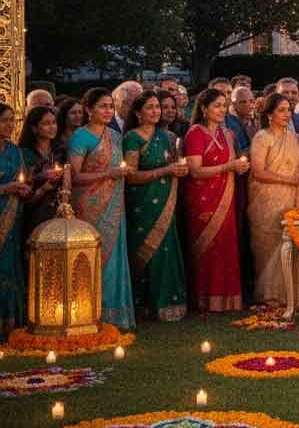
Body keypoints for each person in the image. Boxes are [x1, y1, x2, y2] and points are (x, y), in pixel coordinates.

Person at [69, 88, 135, 328]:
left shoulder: (115, 136)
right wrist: (108, 173)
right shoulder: (80, 137)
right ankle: (89, 314)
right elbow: (74, 176)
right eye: (102, 106)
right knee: (93, 257)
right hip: (89, 206)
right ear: (88, 110)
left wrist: (122, 173)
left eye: (111, 106)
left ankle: (114, 317)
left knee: (114, 258)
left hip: (115, 206)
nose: (108, 111)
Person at [123, 91, 189, 322]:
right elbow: (130, 176)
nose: (155, 111)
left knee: (167, 248)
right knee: (143, 247)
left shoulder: (168, 137)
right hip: (142, 203)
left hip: (166, 201)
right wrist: (166, 171)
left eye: (157, 107)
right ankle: (145, 305)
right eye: (149, 107)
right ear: (138, 113)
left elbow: (176, 164)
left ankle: (169, 303)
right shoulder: (133, 138)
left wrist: (180, 169)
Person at [184, 88, 248, 312]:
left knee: (226, 246)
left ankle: (227, 299)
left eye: (224, 105)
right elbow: (195, 171)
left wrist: (240, 166)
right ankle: (204, 299)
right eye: (217, 106)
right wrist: (229, 167)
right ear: (203, 108)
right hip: (203, 199)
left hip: (226, 197)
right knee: (207, 247)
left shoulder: (227, 134)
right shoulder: (195, 133)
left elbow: (232, 163)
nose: (222, 110)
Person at [248, 93, 299, 306]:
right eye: (281, 110)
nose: (287, 114)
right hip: (266, 200)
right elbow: (258, 172)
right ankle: (271, 294)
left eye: (289, 110)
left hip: (290, 198)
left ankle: (293, 293)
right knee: (269, 246)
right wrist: (290, 179)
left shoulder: (294, 139)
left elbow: (298, 168)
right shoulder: (262, 137)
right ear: (269, 115)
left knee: (290, 242)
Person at [0, 102, 29, 335]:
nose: (9, 125)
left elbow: (23, 181)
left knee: (10, 267)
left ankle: (10, 322)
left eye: (11, 120)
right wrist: (5, 189)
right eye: (4, 120)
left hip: (13, 218)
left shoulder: (14, 150)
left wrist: (23, 189)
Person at [18, 106, 66, 239]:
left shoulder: (60, 151)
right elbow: (22, 184)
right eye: (46, 123)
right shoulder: (24, 153)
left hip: (58, 209)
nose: (52, 127)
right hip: (33, 210)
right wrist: (42, 178)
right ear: (34, 128)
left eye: (54, 122)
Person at [226, 86, 257, 156]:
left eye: (251, 101)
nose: (249, 105)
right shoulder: (229, 125)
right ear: (234, 105)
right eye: (243, 102)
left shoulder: (255, 121)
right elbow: (238, 155)